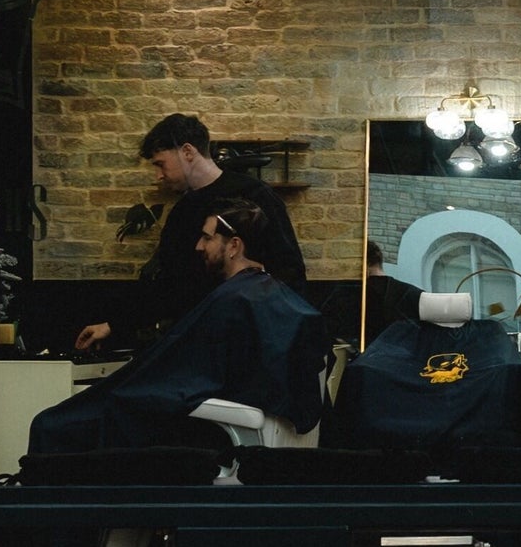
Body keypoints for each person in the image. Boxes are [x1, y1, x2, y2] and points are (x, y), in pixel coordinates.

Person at [28, 204, 325, 457]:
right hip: (218, 420)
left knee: (51, 425)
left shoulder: (236, 300)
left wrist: (140, 385)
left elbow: (184, 376)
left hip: (201, 431)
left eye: (207, 237)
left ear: (234, 246)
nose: (199, 246)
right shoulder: (266, 296)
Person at [76, 114, 306, 354]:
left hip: (252, 341)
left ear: (187, 151)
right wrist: (114, 325)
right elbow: (167, 286)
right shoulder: (181, 212)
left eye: (160, 164)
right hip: (198, 342)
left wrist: (281, 342)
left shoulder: (256, 195)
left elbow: (289, 271)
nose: (159, 175)